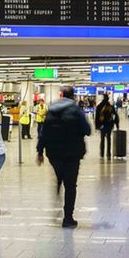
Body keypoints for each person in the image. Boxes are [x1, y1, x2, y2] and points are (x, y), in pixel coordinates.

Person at [37, 86, 92, 228]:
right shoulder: (76, 111)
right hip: (72, 153)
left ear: (61, 95)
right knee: (71, 185)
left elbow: (43, 133)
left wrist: (40, 151)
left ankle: (59, 186)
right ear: (72, 96)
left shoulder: (51, 111)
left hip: (54, 154)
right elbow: (87, 130)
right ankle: (68, 218)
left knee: (60, 176)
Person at [95, 93, 119, 159]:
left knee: (102, 139)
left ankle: (102, 154)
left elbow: (97, 117)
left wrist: (97, 126)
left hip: (102, 125)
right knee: (108, 139)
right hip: (109, 124)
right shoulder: (111, 106)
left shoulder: (99, 106)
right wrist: (116, 124)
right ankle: (108, 153)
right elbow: (115, 116)